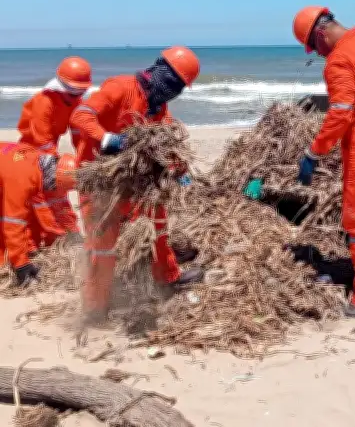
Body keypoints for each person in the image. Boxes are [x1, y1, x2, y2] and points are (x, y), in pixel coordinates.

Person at [246, 6, 355, 318]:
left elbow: (340, 114)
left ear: (321, 34)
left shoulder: (339, 60)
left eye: (314, 47)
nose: (318, 54)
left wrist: (314, 153)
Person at [70, 46, 204, 320]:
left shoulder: (158, 108)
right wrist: (106, 138)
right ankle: (95, 306)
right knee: (102, 244)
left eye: (178, 88)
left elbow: (164, 145)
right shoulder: (119, 88)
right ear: (158, 70)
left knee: (157, 223)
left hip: (132, 182)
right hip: (98, 180)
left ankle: (167, 278)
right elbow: (80, 116)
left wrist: (179, 170)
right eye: (171, 83)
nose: (172, 91)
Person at [17, 56, 92, 240]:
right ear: (62, 86)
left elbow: (79, 135)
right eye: (74, 92)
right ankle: (58, 235)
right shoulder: (44, 102)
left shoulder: (76, 103)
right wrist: (58, 166)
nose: (77, 96)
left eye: (81, 92)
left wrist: (84, 160)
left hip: (50, 150)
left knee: (57, 194)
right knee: (44, 196)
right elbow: (41, 140)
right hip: (29, 153)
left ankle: (69, 235)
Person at [0, 142, 77, 287]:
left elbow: (32, 213)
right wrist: (21, 265)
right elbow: (13, 224)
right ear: (54, 179)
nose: (52, 190)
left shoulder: (38, 161)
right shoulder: (22, 180)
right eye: (54, 187)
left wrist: (29, 249)